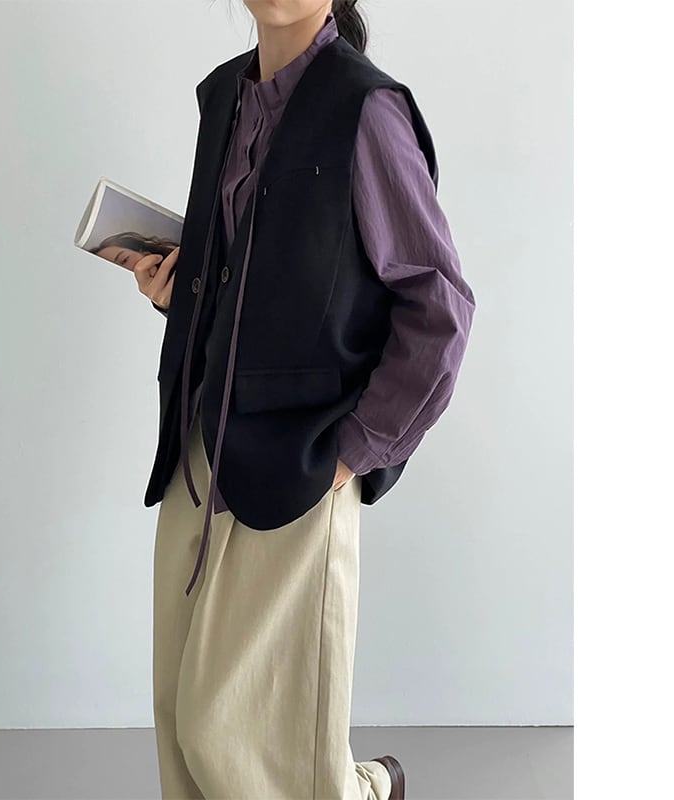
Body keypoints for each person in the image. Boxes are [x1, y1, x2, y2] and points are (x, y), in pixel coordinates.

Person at [134, 1, 476, 798]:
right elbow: (253, 272)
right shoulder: (224, 94)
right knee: (179, 721)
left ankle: (365, 790)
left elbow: (440, 308)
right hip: (199, 440)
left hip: (298, 460)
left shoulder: (367, 109)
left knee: (237, 735)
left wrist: (353, 452)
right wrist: (178, 293)